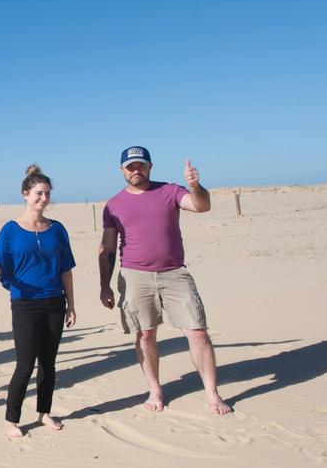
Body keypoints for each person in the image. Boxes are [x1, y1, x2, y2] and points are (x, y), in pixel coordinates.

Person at [98, 147, 232, 416]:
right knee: (145, 334)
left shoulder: (170, 191)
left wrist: (195, 186)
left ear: (150, 166)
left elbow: (201, 206)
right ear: (122, 170)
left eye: (141, 165)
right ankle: (155, 390)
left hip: (175, 273)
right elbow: (108, 247)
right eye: (130, 167)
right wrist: (105, 285)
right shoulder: (113, 204)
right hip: (134, 275)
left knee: (197, 331)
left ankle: (212, 393)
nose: (136, 170)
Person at [0, 164, 76, 438]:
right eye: (38, 193)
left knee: (49, 363)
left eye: (47, 194)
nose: (44, 198)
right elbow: (0, 265)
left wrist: (71, 305)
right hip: (25, 304)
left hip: (54, 302)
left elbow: (66, 269)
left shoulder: (57, 229)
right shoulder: (10, 230)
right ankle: (11, 419)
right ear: (25, 194)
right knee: (25, 364)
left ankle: (44, 412)